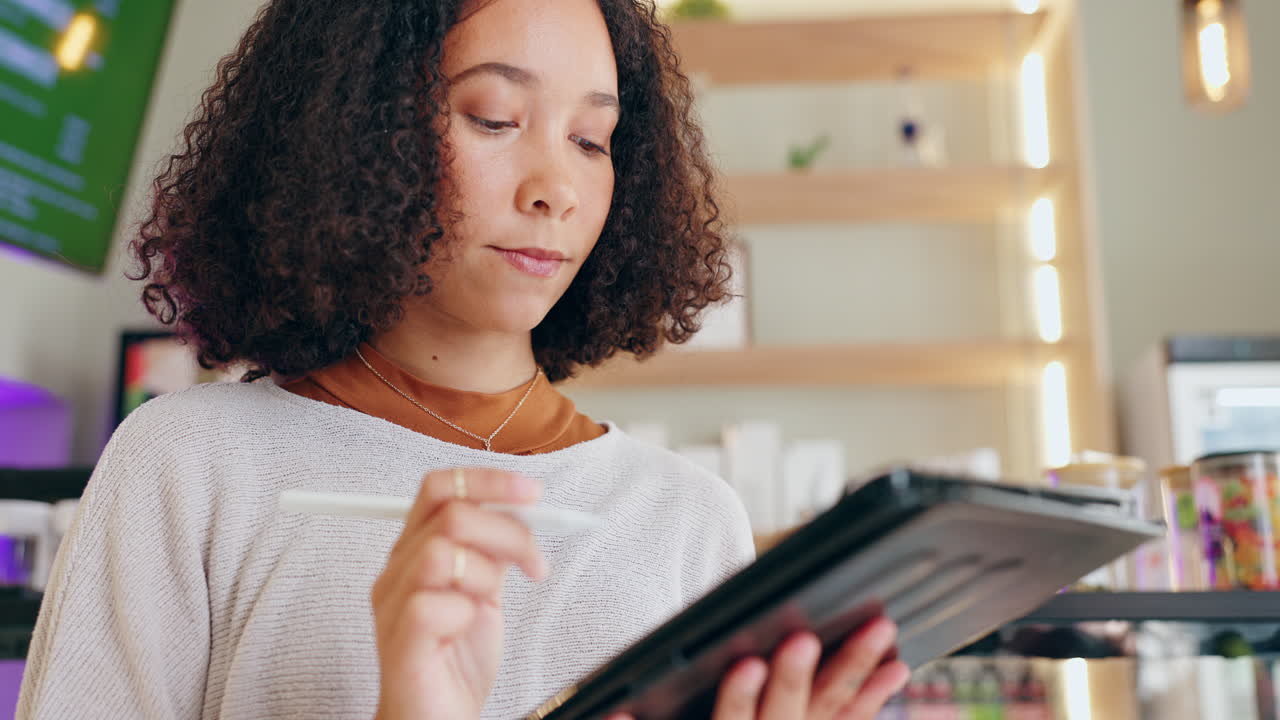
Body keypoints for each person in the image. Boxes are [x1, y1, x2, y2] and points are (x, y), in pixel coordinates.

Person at [17, 0, 909, 718]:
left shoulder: (686, 522)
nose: (555, 188)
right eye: (493, 117)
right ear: (356, 132)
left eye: (593, 140)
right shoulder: (186, 469)